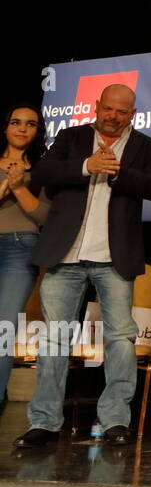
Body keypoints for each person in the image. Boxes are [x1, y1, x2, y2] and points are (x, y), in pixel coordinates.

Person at [15, 85, 151, 447]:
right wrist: (87, 166)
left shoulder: (145, 147)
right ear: (97, 106)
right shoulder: (72, 136)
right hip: (64, 255)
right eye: (108, 109)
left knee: (120, 338)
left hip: (114, 257)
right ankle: (45, 422)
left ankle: (115, 421)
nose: (113, 116)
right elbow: (43, 173)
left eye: (122, 112)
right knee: (54, 339)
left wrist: (116, 172)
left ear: (132, 113)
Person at [0, 103, 49, 412]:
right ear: (5, 127)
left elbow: (44, 215)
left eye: (30, 124)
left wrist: (18, 188)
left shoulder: (43, 169)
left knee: (2, 328)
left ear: (37, 132)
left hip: (20, 249)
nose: (22, 128)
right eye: (15, 121)